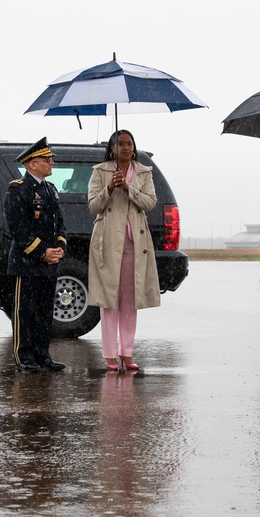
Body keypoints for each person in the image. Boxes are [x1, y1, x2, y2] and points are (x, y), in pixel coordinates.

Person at [87, 130, 161, 372]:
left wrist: (129, 189)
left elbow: (150, 202)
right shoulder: (100, 171)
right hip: (108, 240)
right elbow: (93, 205)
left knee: (130, 300)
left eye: (130, 143)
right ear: (112, 149)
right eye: (121, 144)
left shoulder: (143, 172)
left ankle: (126, 353)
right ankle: (109, 355)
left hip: (134, 243)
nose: (126, 148)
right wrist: (109, 188)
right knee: (110, 299)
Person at [4, 137, 68, 373]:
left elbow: (60, 224)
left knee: (44, 312)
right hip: (26, 263)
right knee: (25, 311)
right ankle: (24, 357)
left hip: (50, 264)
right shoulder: (18, 188)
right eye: (47, 159)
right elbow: (18, 229)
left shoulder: (51, 190)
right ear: (32, 164)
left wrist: (60, 248)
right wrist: (42, 252)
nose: (52, 163)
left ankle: (43, 355)